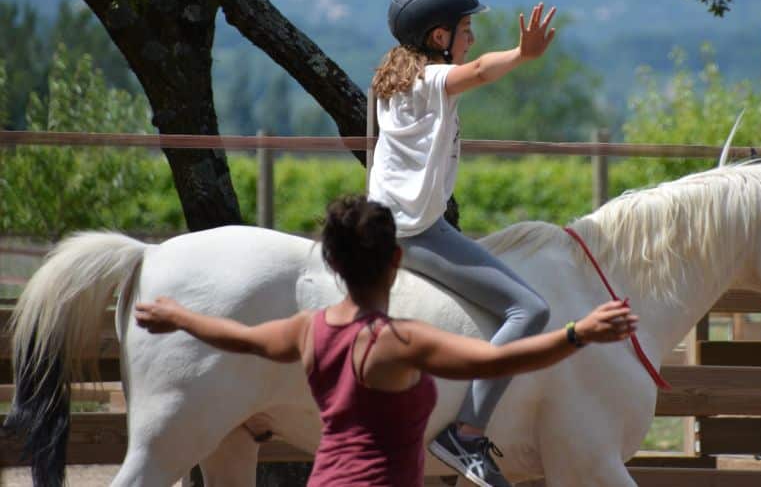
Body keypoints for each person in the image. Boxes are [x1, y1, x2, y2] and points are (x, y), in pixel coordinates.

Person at [135, 196, 637, 487]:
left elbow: (239, 338)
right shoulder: (400, 341)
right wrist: (578, 333)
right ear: (397, 262)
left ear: (332, 265)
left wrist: (180, 316)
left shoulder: (307, 330)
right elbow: (497, 359)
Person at [368, 0, 558, 486]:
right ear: (438, 37)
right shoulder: (432, 82)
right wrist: (521, 54)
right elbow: (475, 71)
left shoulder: (394, 78)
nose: (471, 39)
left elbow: (415, 32)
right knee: (530, 310)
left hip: (391, 224)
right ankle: (467, 432)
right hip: (414, 232)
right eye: (465, 29)